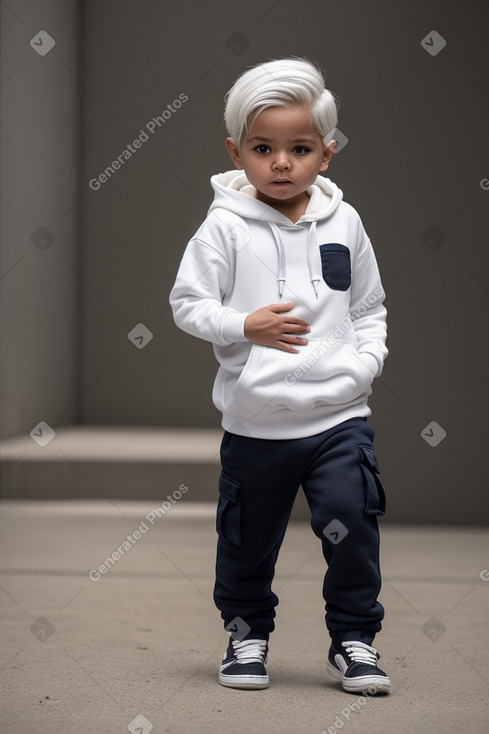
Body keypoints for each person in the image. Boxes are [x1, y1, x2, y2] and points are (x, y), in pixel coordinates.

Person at [169, 57, 391, 694]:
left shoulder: (345, 223)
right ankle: (246, 637)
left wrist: (365, 363)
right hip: (257, 424)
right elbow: (187, 305)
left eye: (299, 148)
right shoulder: (223, 228)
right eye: (264, 149)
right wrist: (246, 327)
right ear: (237, 152)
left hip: (338, 419)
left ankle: (354, 639)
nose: (282, 163)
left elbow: (369, 306)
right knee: (246, 541)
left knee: (352, 521)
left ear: (327, 153)